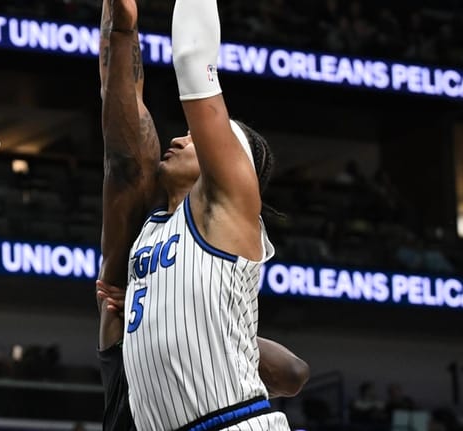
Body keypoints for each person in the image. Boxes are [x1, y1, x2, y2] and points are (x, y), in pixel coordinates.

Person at [95, 0, 309, 430]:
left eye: (200, 138)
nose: (182, 136)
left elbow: (193, 57)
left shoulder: (226, 209)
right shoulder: (150, 229)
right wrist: (121, 32)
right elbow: (123, 134)